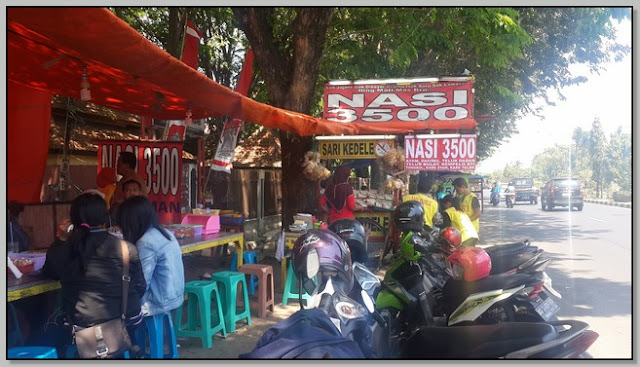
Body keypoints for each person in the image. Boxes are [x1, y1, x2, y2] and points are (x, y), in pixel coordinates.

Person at [42, 192, 146, 358]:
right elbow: (141, 288)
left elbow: (49, 272)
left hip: (84, 326)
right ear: (105, 219)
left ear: (73, 221)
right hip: (127, 319)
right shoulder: (127, 248)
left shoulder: (64, 250)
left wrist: (61, 239)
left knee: (51, 325)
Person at [116, 196, 185, 317]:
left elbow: (141, 284)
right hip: (175, 296)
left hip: (158, 302)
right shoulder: (163, 232)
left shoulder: (146, 243)